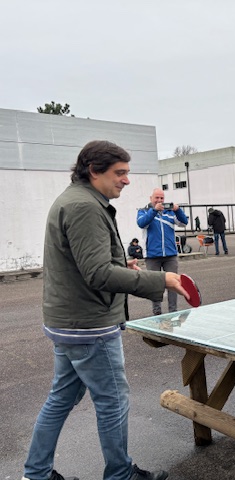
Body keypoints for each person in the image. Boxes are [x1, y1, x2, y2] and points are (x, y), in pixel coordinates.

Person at [22, 140, 188, 480]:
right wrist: (162, 279)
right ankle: (120, 474)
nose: (127, 179)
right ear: (94, 171)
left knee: (61, 398)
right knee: (112, 401)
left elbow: (84, 263)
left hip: (70, 321)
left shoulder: (76, 199)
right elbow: (97, 274)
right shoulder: (85, 206)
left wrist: (119, 265)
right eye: (120, 172)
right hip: (89, 326)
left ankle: (36, 474)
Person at [137, 188, 189, 315]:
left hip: (170, 255)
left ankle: (173, 311)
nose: (159, 200)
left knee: (174, 284)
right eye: (157, 198)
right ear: (151, 198)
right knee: (154, 285)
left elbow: (184, 222)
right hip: (152, 255)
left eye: (162, 198)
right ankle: (157, 312)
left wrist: (177, 210)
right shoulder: (143, 211)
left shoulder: (170, 212)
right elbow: (141, 223)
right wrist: (154, 210)